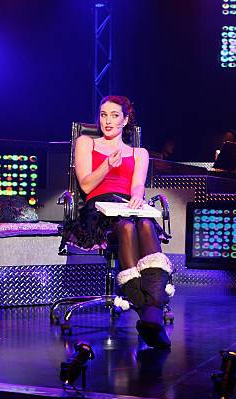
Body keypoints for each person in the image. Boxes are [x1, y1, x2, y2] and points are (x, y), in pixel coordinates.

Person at [61, 95, 172, 349]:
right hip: (98, 211)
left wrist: (136, 198)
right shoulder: (86, 142)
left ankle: (150, 314)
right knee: (125, 225)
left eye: (114, 115)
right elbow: (86, 185)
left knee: (142, 223)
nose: (107, 120)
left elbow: (137, 186)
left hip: (126, 206)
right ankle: (150, 313)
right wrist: (107, 168)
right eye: (103, 115)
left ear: (125, 120)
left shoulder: (138, 153)